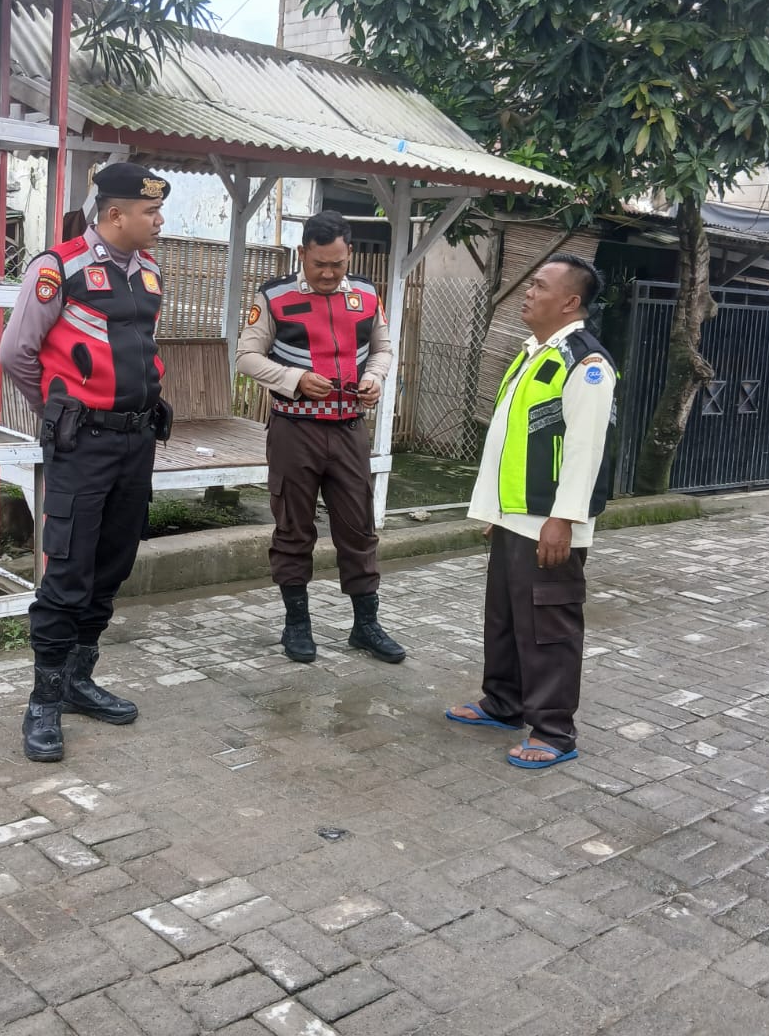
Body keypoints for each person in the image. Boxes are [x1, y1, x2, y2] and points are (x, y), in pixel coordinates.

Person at [0, 162, 173, 762]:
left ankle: (78, 679)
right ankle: (43, 701)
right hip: (83, 444)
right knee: (69, 570)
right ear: (115, 214)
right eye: (150, 211)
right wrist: (57, 411)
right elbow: (17, 353)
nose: (159, 220)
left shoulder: (148, 270)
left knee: (112, 564)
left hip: (136, 441)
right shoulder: (59, 267)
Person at [446, 254, 617, 769]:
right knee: (504, 618)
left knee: (548, 627)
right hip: (515, 516)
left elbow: (586, 448)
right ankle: (504, 702)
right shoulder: (534, 353)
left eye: (540, 286)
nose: (528, 292)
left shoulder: (586, 363)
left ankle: (554, 731)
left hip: (549, 521)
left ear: (570, 302)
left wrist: (563, 519)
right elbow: (514, 438)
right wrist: (495, 511)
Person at [235, 209, 405, 665]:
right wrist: (294, 379)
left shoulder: (366, 294)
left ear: (350, 254)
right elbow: (246, 356)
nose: (328, 274)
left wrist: (375, 377)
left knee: (359, 528)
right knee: (293, 528)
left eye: (337, 264)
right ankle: (297, 624)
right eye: (319, 264)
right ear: (302, 253)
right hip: (295, 430)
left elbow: (383, 348)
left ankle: (366, 626)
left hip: (349, 430)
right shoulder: (274, 296)